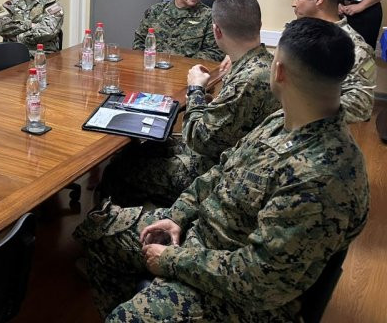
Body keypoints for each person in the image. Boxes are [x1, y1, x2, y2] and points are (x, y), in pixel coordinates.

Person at [75, 17, 369, 322]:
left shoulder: (319, 177)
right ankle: (147, 296)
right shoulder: (284, 120)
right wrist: (177, 216)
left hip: (237, 297)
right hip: (201, 239)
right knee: (99, 230)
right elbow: (221, 169)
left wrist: (173, 261)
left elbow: (258, 281)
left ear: (278, 71)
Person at [101, 0, 279, 207]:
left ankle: (123, 226)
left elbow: (199, 139)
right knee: (146, 147)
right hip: (235, 153)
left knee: (119, 167)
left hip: (219, 169)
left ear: (217, 30)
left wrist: (195, 88)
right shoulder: (266, 64)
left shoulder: (247, 79)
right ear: (258, 25)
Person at [292, 0, 376, 123]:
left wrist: (306, 110)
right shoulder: (297, 33)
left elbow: (360, 106)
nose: (293, 4)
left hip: (319, 132)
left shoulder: (354, 47)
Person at [132, 0, 223, 61]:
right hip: (154, 67)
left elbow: (214, 52)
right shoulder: (156, 11)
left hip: (187, 72)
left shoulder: (209, 16)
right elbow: (139, 42)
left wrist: (181, 65)